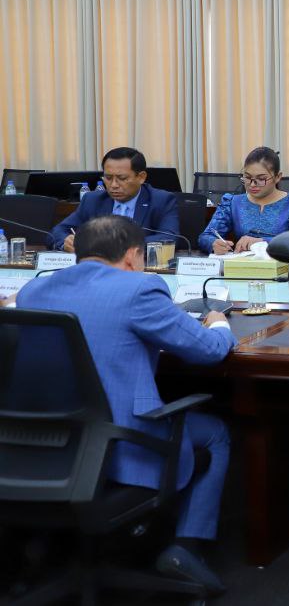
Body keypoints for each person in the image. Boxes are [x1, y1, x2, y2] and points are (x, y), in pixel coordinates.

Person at [16, 215, 236, 593]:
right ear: (134, 256)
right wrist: (218, 323)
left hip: (43, 447)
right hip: (118, 445)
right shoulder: (140, 288)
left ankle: (42, 546)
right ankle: (185, 548)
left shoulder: (33, 291)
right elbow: (209, 351)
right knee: (215, 432)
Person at [49, 147, 179, 253]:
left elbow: (170, 238)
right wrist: (66, 242)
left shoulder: (161, 200)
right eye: (108, 178)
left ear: (141, 177)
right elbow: (56, 232)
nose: (114, 185)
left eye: (122, 178)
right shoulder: (93, 200)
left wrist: (117, 245)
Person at [198, 147, 289, 254]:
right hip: (242, 267)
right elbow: (206, 236)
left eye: (261, 179)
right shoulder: (232, 203)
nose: (252, 184)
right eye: (247, 177)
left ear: (278, 177)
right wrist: (213, 243)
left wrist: (263, 242)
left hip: (283, 267)